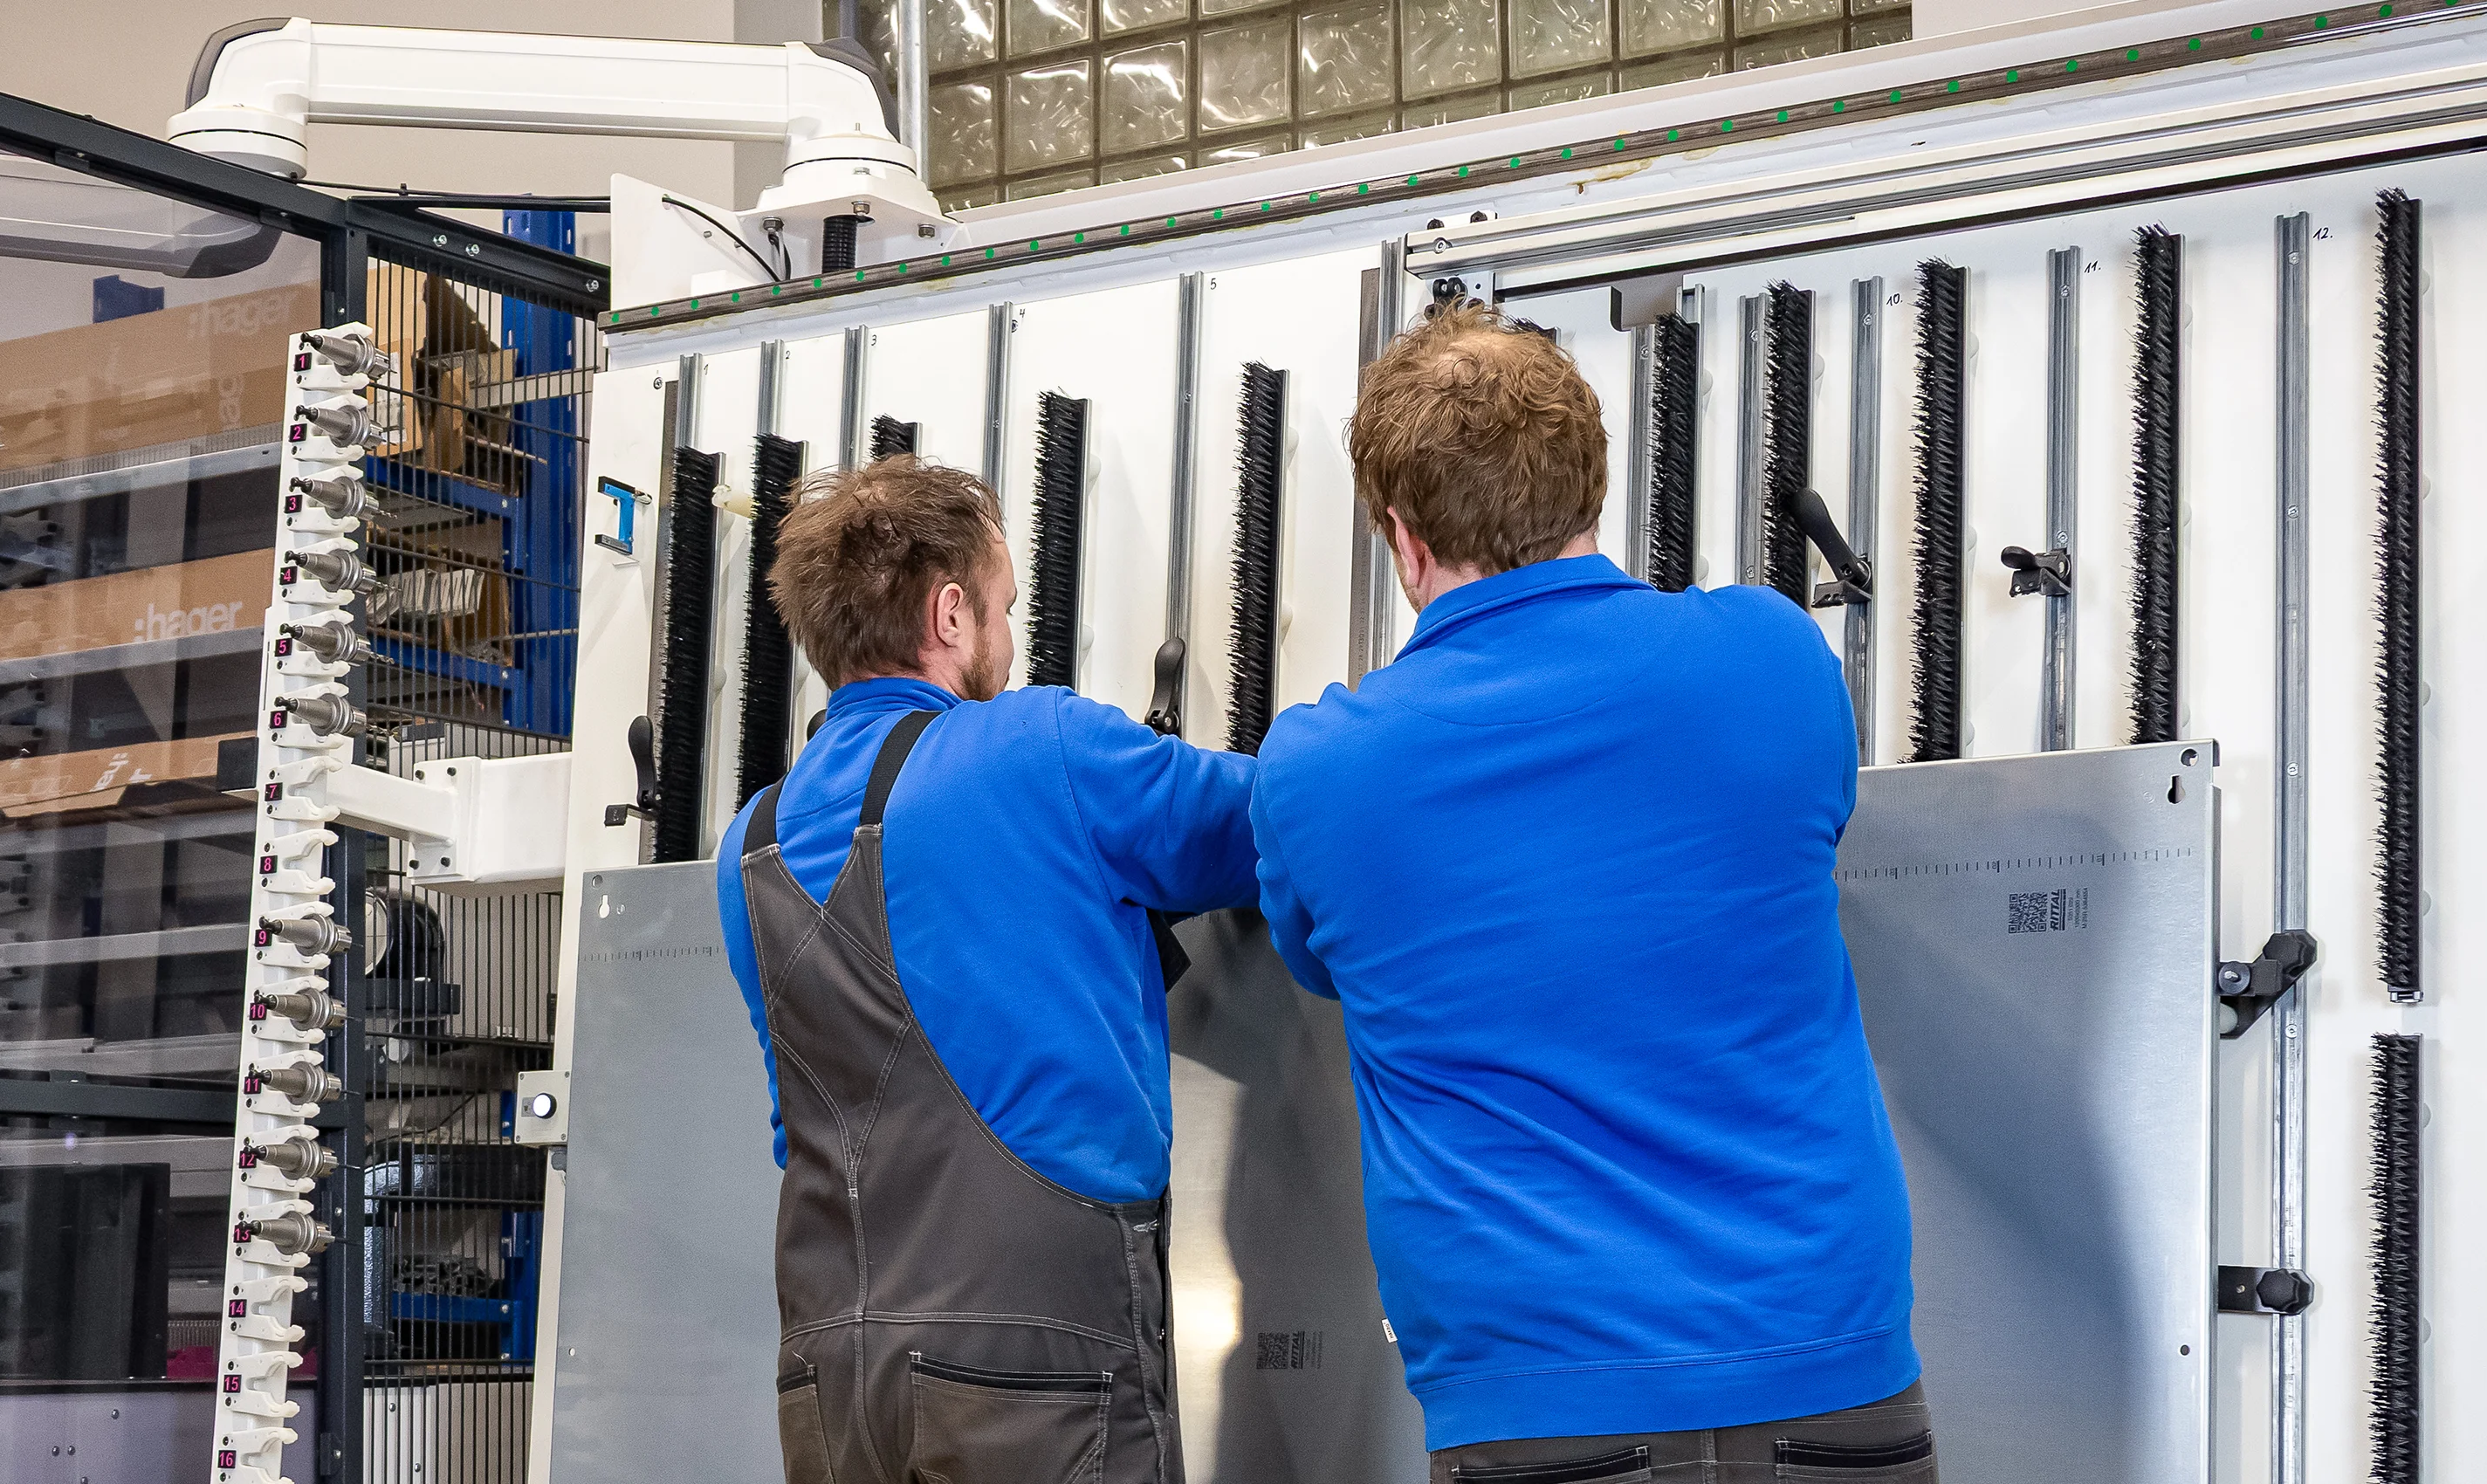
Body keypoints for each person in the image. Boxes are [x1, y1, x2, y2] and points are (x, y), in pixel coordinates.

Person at [1249, 302, 1933, 1481]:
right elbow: (1810, 824)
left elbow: (1315, 959)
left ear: (1402, 537)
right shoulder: (1774, 658)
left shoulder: (1320, 768)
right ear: (1592, 489)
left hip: (1545, 1413)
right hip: (1834, 1384)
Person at [714, 454, 1256, 1484]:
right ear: (951, 613)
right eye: (1003, 605)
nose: (1006, 633)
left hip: (832, 1380)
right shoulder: (1038, 746)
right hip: (1033, 1365)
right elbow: (1271, 821)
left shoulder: (750, 843)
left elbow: (803, 1121)